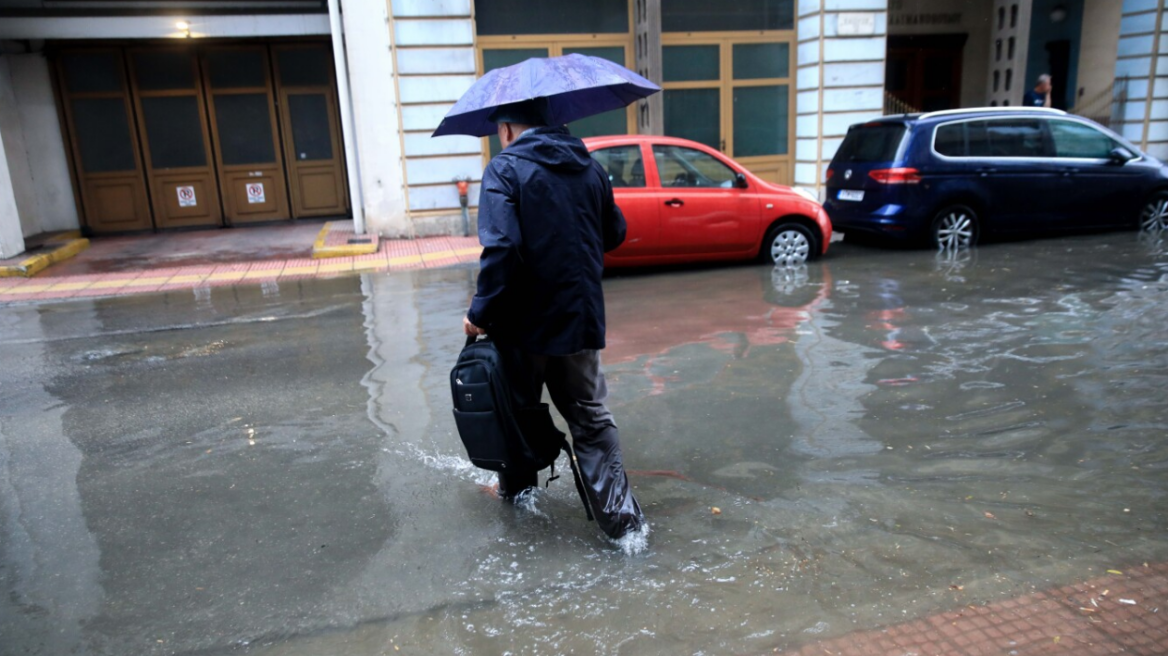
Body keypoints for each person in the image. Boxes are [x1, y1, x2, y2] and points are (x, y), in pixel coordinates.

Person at [462, 98, 645, 541]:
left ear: (506, 129)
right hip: (580, 320)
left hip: (523, 327)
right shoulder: (589, 168)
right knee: (590, 419)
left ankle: (518, 497)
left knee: (517, 412)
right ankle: (625, 528)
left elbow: (502, 249)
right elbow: (615, 233)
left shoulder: (504, 170)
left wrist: (479, 314)